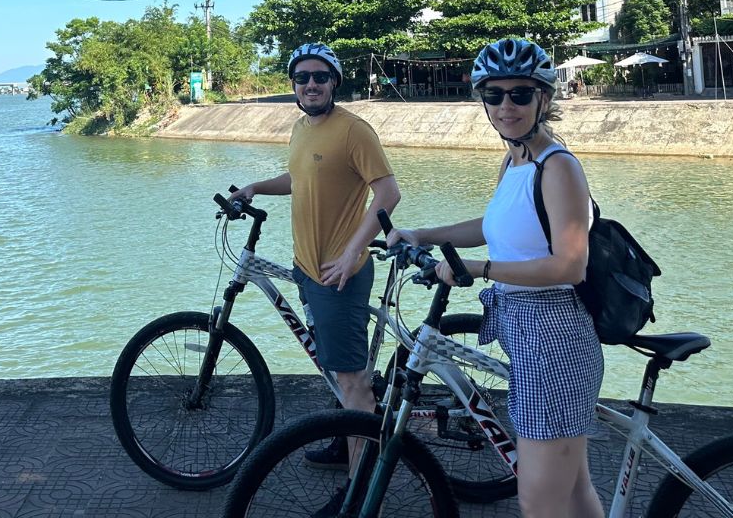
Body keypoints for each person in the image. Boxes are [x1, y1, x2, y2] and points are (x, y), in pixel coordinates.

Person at [387, 38, 604, 518]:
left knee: (538, 502)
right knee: (572, 493)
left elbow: (571, 266)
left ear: (544, 98)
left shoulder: (558, 166)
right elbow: (492, 228)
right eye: (494, 94)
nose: (507, 105)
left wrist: (476, 269)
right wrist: (420, 233)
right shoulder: (515, 161)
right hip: (524, 329)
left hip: (556, 337)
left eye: (521, 94)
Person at [229, 42, 401, 490]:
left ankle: (360, 489)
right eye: (302, 77)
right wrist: (254, 187)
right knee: (335, 369)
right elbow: (299, 177)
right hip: (307, 267)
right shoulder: (301, 128)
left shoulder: (354, 131)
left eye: (320, 77)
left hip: (337, 274)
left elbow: (387, 194)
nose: (310, 85)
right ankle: (347, 443)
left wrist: (350, 254)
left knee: (353, 383)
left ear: (334, 82)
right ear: (293, 84)